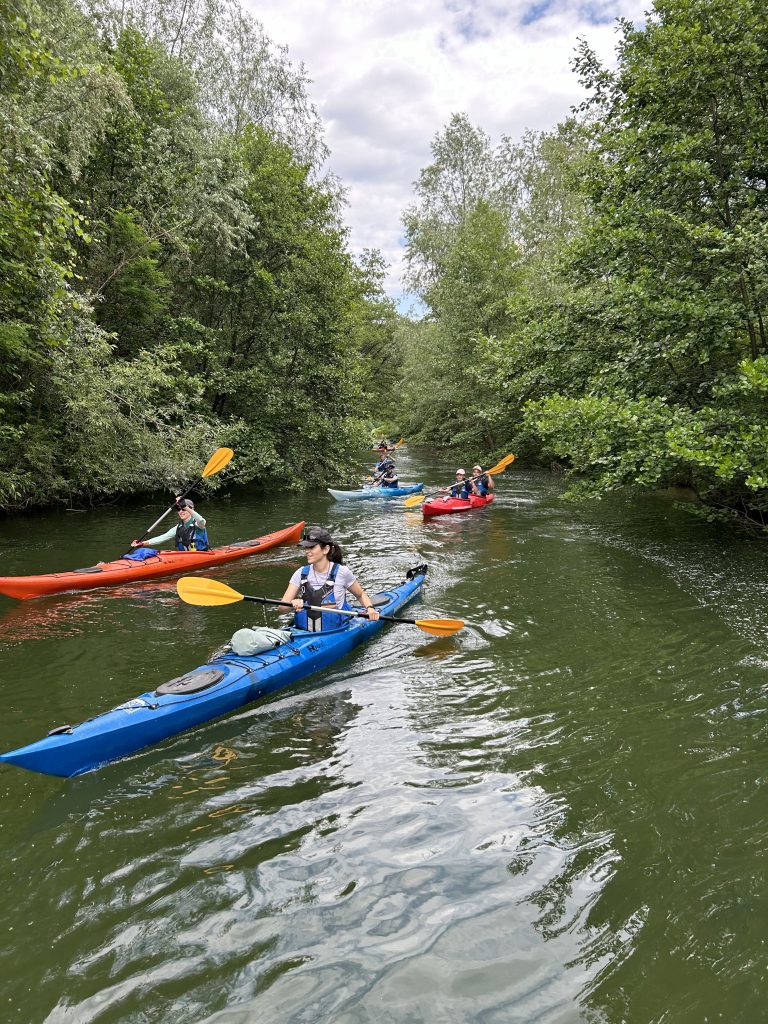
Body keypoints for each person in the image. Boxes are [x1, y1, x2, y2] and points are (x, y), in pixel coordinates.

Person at [281, 527, 381, 632]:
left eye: (312, 547)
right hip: (303, 633)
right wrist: (292, 604)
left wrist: (370, 609)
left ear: (326, 549)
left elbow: (360, 594)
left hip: (337, 631)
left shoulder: (342, 572)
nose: (307, 551)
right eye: (306, 548)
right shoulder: (300, 573)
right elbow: (282, 609)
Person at [131, 497, 210, 551]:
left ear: (191, 509)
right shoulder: (178, 527)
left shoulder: (198, 524)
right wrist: (142, 543)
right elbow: (163, 537)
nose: (181, 511)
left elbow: (202, 520)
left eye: (183, 509)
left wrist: (186, 507)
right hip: (185, 556)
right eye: (178, 509)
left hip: (201, 554)